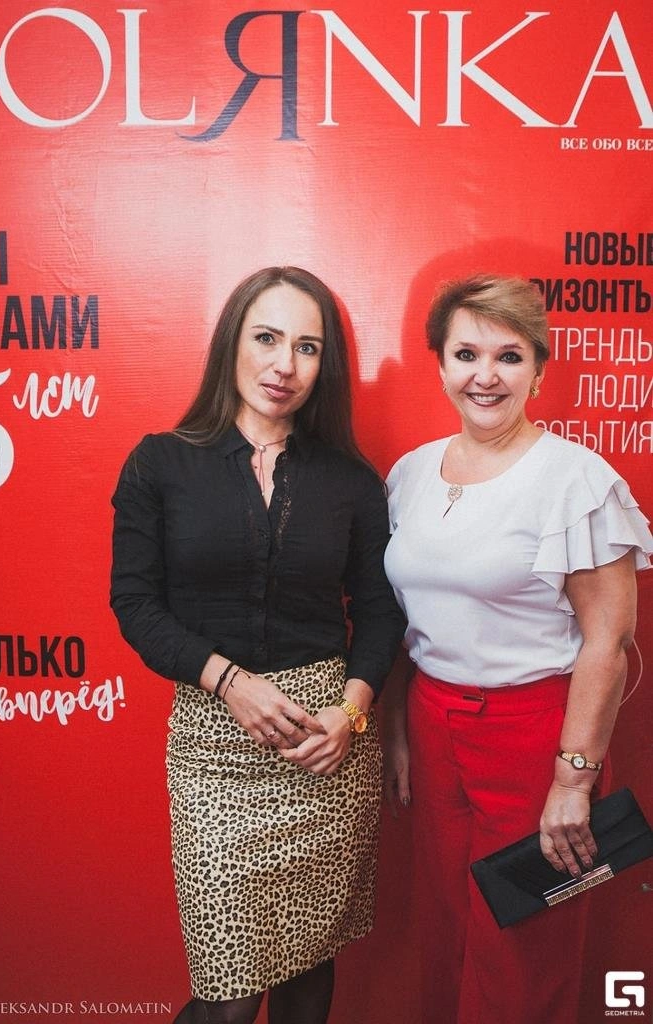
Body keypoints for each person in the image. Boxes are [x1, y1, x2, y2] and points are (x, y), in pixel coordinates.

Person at [110, 266, 405, 1024]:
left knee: (308, 972)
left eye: (307, 347)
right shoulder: (159, 462)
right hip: (214, 748)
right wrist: (229, 681)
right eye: (267, 338)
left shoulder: (351, 480)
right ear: (231, 343)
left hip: (326, 748)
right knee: (230, 996)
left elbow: (379, 613)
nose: (284, 365)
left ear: (324, 364)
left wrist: (352, 714)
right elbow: (135, 605)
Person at [382, 274, 653, 1024]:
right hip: (433, 725)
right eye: (466, 354)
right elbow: (403, 617)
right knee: (446, 932)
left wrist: (573, 782)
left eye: (508, 356)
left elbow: (609, 641)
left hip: (537, 739)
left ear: (537, 369)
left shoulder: (576, 479)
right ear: (440, 364)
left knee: (526, 948)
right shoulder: (409, 474)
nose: (486, 375)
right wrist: (399, 727)